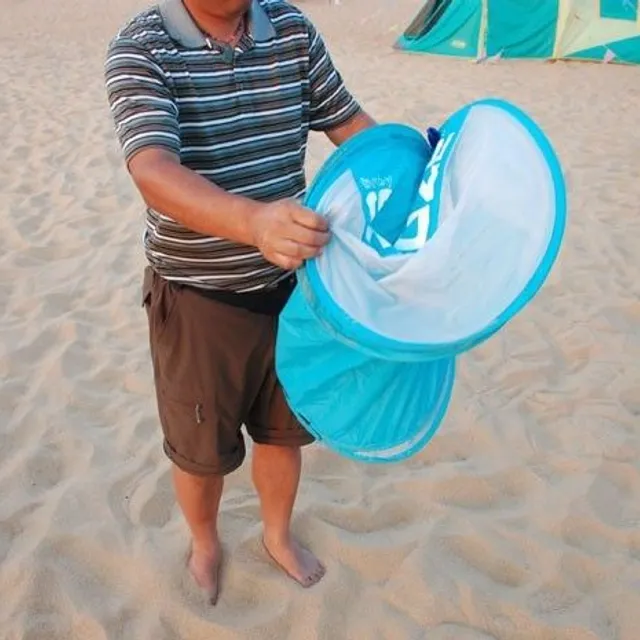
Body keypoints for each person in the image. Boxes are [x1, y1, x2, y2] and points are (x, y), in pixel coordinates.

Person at [104, 0, 375, 604]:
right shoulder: (142, 47)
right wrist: (253, 222)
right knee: (201, 451)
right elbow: (151, 169)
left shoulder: (292, 28)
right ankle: (205, 542)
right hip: (200, 297)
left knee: (285, 432)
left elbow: (349, 124)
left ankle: (277, 535)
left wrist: (415, 164)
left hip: (297, 288)